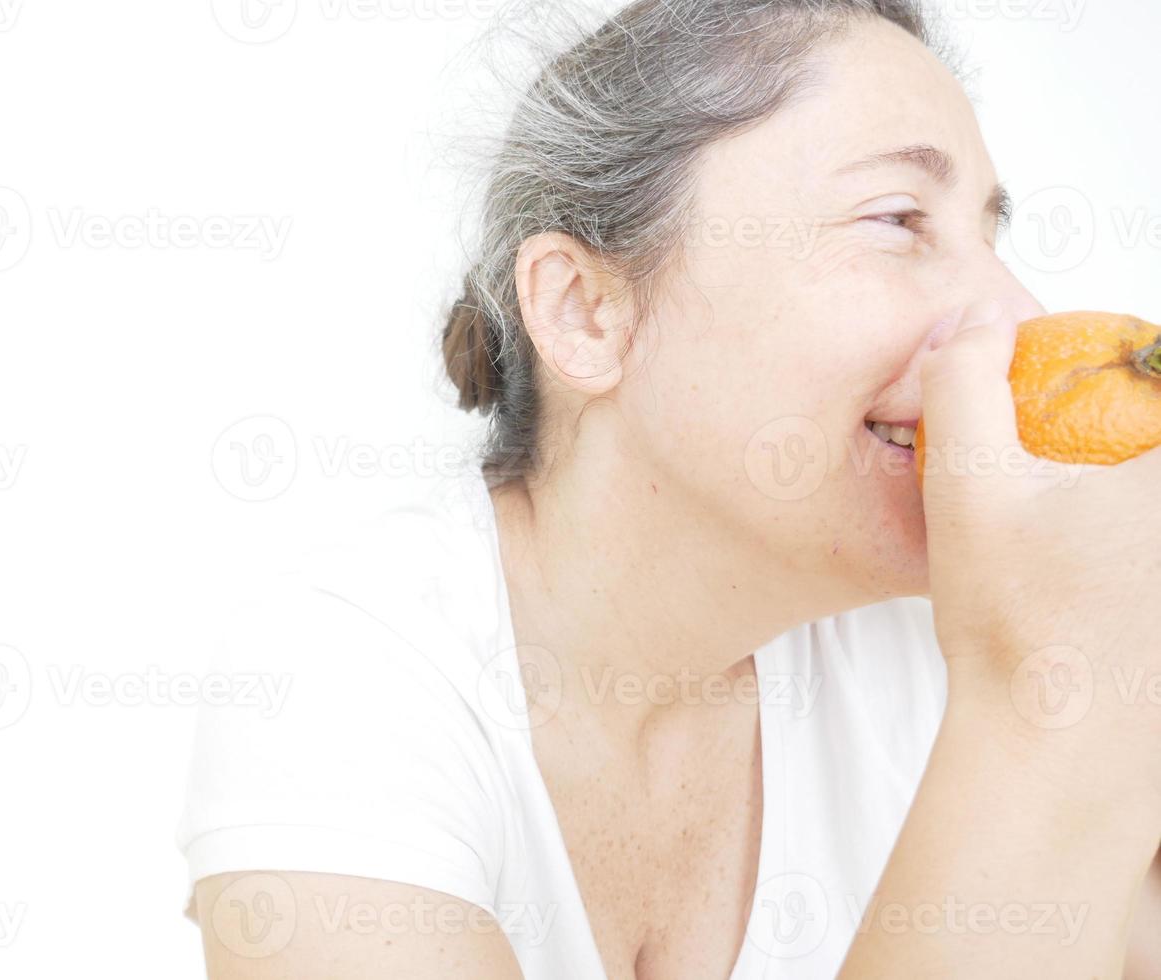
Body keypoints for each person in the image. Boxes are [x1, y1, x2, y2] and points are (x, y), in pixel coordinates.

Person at [177, 0, 1161, 976]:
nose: (1016, 313)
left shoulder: (972, 642)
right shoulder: (347, 670)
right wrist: (1043, 705)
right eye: (898, 219)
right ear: (585, 313)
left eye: (986, 237)